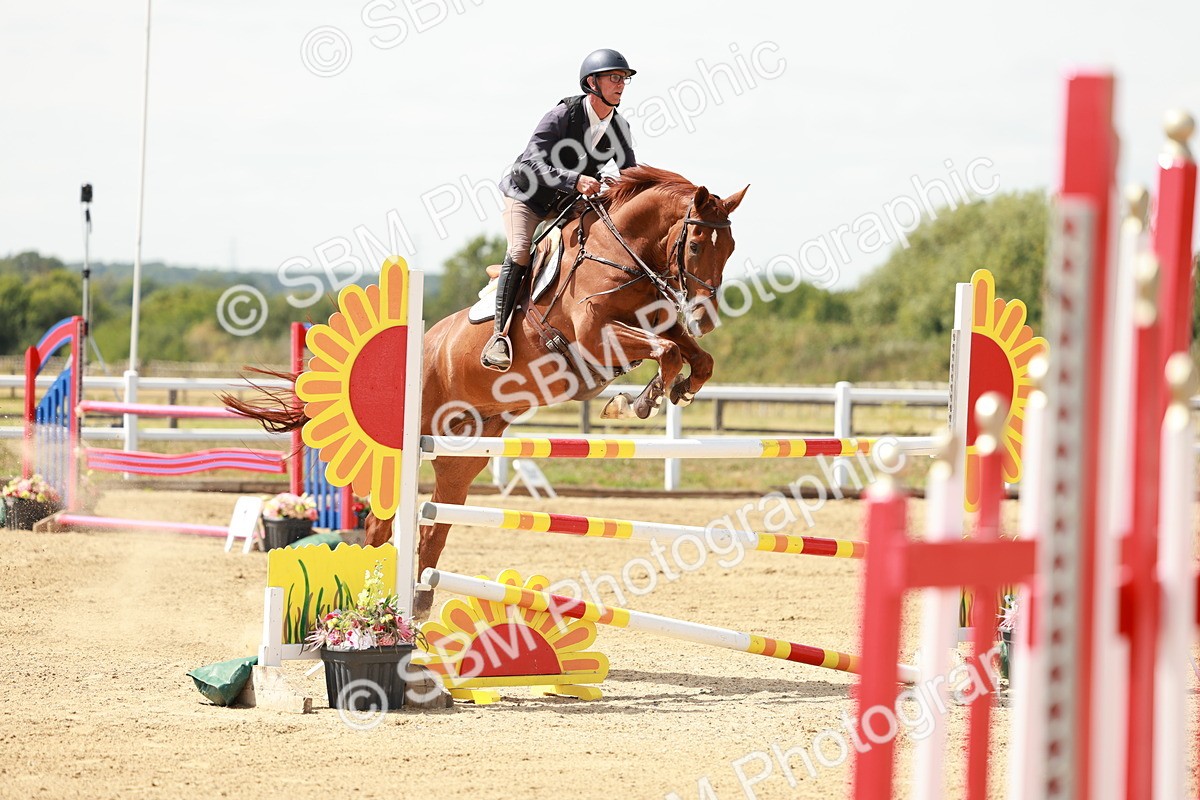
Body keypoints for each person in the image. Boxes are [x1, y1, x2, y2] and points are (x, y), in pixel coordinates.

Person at [482, 48, 640, 372]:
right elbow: (530, 162)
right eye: (615, 78)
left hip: (566, 203)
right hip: (526, 196)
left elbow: (630, 174)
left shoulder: (618, 128)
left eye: (624, 79)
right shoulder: (562, 115)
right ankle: (498, 336)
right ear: (592, 83)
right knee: (522, 249)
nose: (621, 84)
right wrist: (575, 179)